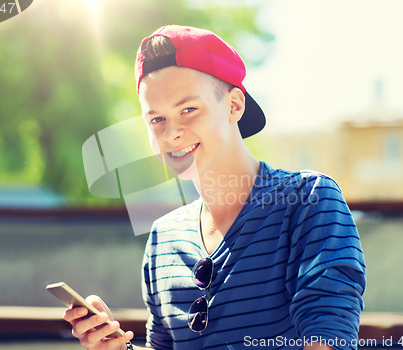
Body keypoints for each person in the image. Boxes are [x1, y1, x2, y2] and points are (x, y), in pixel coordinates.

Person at [64, 25, 366, 350]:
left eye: (189, 110)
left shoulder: (309, 201)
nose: (171, 134)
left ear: (235, 105)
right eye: (156, 120)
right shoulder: (162, 238)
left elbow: (327, 341)